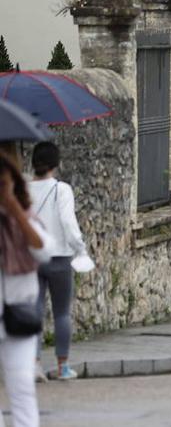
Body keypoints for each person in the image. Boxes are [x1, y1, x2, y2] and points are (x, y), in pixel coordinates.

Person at [29, 142, 86, 382]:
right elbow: (68, 222)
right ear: (56, 164)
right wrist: (80, 248)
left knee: (35, 311)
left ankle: (33, 363)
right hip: (60, 256)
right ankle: (63, 366)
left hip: (32, 257)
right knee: (62, 312)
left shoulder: (25, 190)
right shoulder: (61, 190)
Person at [0, 146, 48, 427]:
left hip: (18, 313)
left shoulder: (26, 217)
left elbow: (43, 250)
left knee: (21, 389)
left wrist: (15, 211)